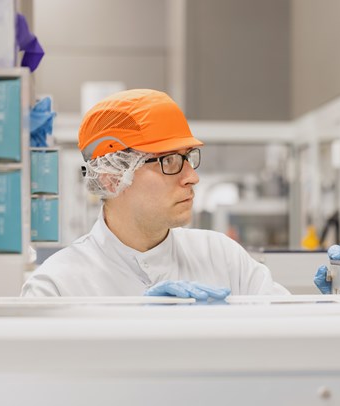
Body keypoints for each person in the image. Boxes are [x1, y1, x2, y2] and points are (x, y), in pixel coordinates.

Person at [21, 89, 290, 299]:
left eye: (188, 157)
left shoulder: (222, 257)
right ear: (112, 177)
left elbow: (290, 332)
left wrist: (330, 303)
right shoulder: (56, 285)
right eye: (170, 161)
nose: (192, 177)